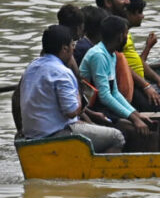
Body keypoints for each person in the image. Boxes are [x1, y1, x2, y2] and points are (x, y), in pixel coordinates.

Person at [19, 25, 127, 154]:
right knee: (117, 137)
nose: (73, 49)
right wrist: (79, 92)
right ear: (65, 49)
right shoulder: (62, 72)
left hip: (32, 133)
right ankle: (100, 173)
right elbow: (71, 111)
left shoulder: (31, 67)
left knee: (90, 126)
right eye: (72, 45)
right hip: (54, 134)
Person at [78, 15, 153, 149]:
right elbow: (105, 96)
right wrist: (134, 120)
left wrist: (135, 114)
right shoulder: (98, 55)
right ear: (120, 37)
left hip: (103, 105)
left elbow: (115, 92)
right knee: (133, 131)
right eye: (126, 34)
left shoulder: (111, 54)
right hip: (93, 109)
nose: (127, 37)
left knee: (146, 125)